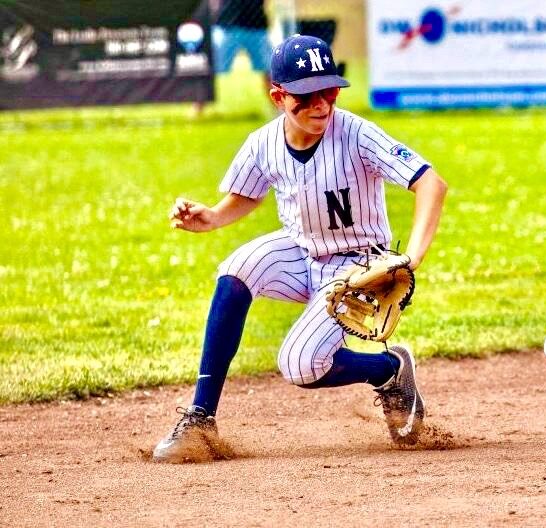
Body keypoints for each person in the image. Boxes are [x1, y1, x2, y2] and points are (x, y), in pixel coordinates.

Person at [154, 34, 448, 462]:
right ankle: (200, 416)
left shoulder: (357, 134)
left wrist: (413, 256)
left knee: (300, 365)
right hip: (299, 249)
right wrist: (214, 217)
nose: (321, 105)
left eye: (328, 91)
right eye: (306, 95)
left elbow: (429, 183)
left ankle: (389, 371)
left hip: (357, 266)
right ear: (278, 96)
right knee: (234, 272)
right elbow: (249, 193)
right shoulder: (263, 143)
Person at [194, 0, 273, 116]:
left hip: (256, 26)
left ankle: (280, 111)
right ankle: (198, 110)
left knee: (270, 71)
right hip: (227, 24)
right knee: (210, 68)